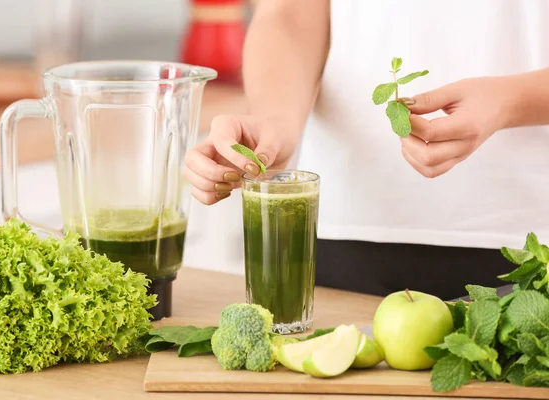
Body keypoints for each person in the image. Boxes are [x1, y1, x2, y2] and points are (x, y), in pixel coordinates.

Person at [182, 0, 549, 300]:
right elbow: (289, 14)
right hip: (340, 231)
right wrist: (274, 120)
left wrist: (510, 101)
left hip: (530, 241)